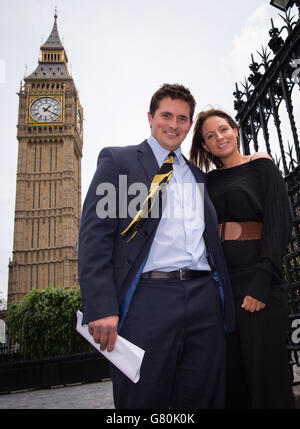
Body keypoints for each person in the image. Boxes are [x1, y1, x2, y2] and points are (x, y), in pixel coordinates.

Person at [78, 84, 235, 409]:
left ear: (189, 125)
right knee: (144, 399)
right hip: (148, 300)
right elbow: (95, 238)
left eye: (182, 118)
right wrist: (101, 305)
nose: (173, 125)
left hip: (204, 298)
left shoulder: (197, 176)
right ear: (151, 117)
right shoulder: (120, 162)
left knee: (205, 397)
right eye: (166, 115)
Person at [190, 108, 295, 409]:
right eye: (210, 136)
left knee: (267, 378)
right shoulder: (207, 182)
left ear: (235, 130)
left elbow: (279, 222)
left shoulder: (260, 164)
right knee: (233, 380)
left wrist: (263, 281)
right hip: (221, 285)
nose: (219, 137)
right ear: (205, 146)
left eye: (223, 129)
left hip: (256, 279)